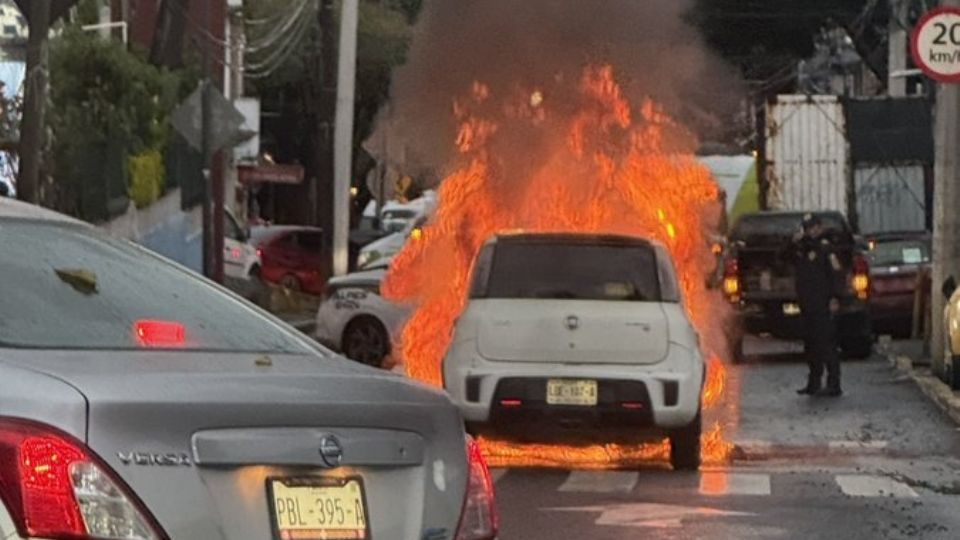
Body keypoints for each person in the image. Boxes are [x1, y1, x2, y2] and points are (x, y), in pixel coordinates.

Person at [790, 213, 844, 397]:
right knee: (811, 345)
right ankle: (813, 383)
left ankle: (834, 383)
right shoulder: (801, 249)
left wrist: (835, 298)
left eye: (813, 228)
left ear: (819, 228)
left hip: (823, 303)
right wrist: (793, 242)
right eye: (807, 228)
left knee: (827, 344)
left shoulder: (826, 249)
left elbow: (836, 275)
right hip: (807, 304)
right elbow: (780, 257)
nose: (810, 231)